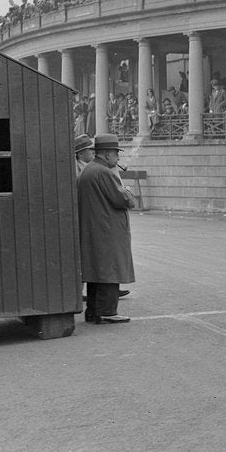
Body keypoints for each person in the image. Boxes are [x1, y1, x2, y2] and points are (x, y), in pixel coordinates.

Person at [77, 134, 135, 324]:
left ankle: (94, 311)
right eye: (116, 155)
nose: (118, 159)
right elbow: (124, 200)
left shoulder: (89, 170)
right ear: (109, 155)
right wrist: (127, 190)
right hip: (108, 230)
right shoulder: (105, 172)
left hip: (96, 228)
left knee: (97, 271)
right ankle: (107, 311)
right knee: (110, 271)